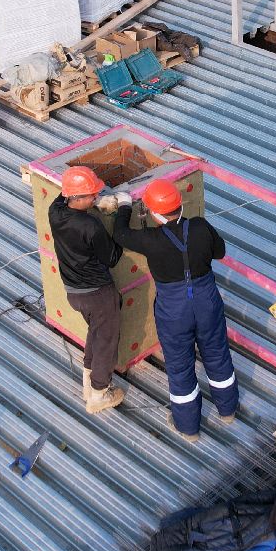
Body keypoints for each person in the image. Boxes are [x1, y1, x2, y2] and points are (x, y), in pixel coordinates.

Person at [112, 177, 238, 442]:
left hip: (174, 310)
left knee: (180, 367)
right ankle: (227, 411)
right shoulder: (201, 227)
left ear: (155, 214)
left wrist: (124, 206)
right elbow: (220, 252)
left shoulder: (150, 240)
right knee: (217, 354)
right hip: (207, 301)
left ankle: (189, 428)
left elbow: (120, 235)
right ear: (180, 206)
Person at [48, 165, 126, 413]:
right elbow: (113, 257)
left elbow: (63, 194)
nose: (95, 198)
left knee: (96, 333)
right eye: (92, 195)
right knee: (106, 341)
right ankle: (100, 394)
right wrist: (123, 211)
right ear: (77, 197)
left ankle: (88, 382)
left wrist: (94, 199)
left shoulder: (55, 212)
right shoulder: (90, 226)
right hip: (99, 294)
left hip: (75, 293)